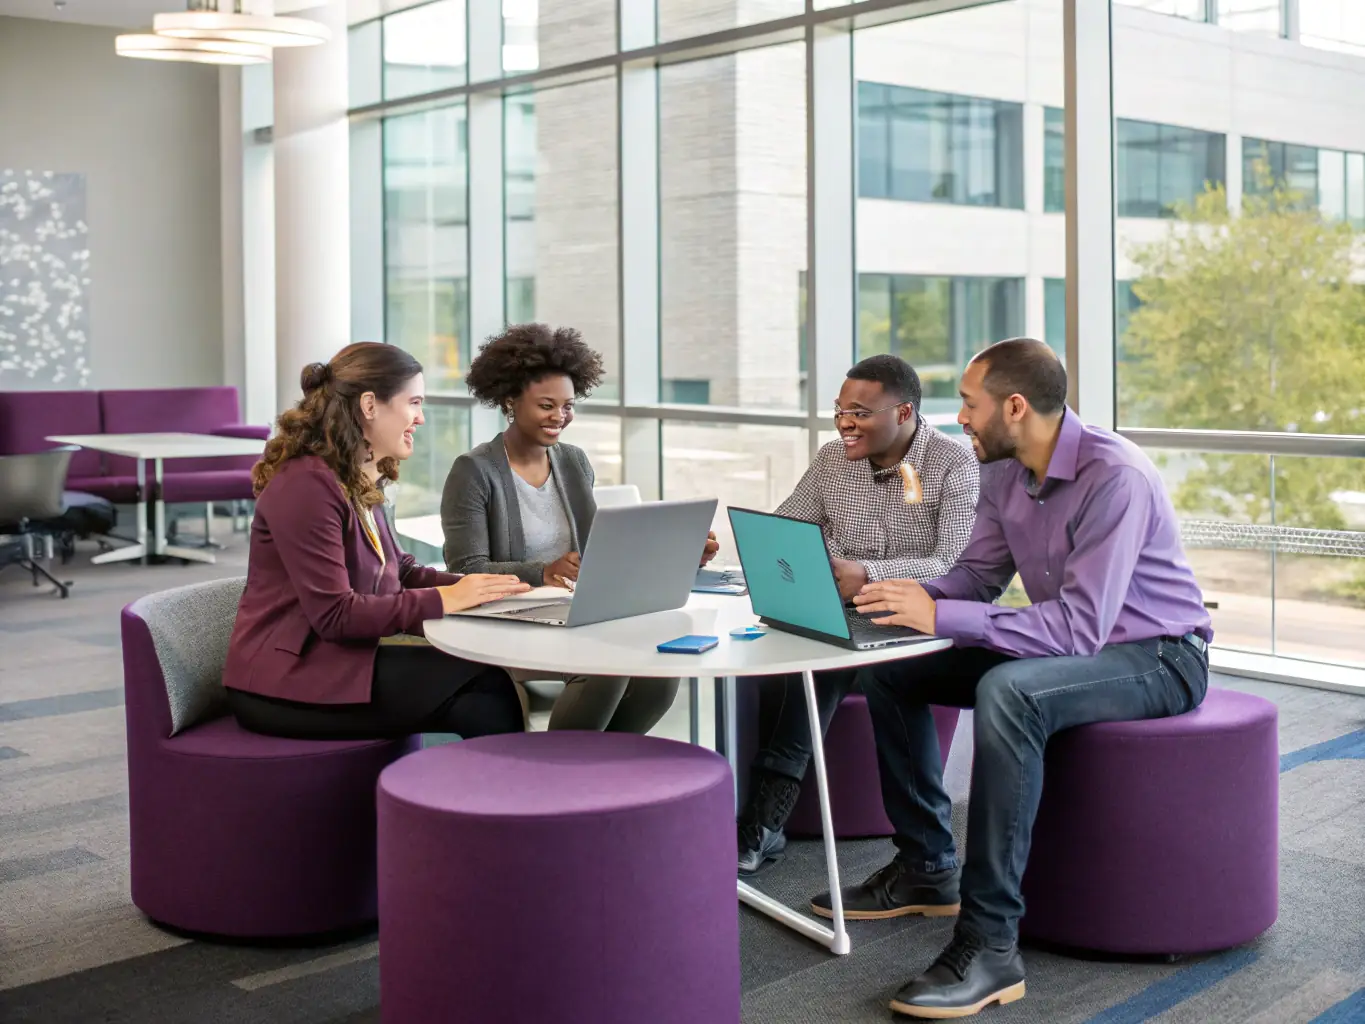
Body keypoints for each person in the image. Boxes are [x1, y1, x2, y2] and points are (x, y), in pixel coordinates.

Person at [817, 338, 1212, 1019]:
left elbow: (1078, 629)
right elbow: (977, 578)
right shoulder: (1002, 469)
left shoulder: (1112, 477)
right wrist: (900, 594)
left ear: (1015, 406)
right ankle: (925, 865)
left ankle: (990, 943)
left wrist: (942, 611)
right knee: (894, 668)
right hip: (1081, 645)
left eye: (969, 405)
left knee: (1009, 692)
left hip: (1158, 655)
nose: (960, 418)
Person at [737, 354, 980, 874]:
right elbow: (785, 527)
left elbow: (954, 563)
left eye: (860, 412)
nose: (845, 423)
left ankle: (761, 821)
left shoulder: (954, 464)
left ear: (905, 412)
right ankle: (762, 822)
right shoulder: (831, 460)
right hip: (837, 611)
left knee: (823, 659)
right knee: (799, 648)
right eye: (839, 410)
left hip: (913, 620)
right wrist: (772, 556)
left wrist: (866, 573)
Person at [224, 342, 531, 741]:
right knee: (484, 689)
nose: (420, 418)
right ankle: (484, 801)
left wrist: (486, 591)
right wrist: (447, 601)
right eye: (414, 402)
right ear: (370, 405)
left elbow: (399, 571)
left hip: (327, 663)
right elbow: (336, 615)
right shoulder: (306, 486)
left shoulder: (354, 476)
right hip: (281, 684)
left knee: (489, 681)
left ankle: (483, 798)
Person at [441, 323, 718, 732]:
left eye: (568, 406)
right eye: (546, 405)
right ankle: (563, 777)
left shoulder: (573, 461)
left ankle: (602, 775)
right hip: (506, 621)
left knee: (660, 676)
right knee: (607, 668)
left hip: (573, 614)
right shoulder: (475, 471)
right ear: (510, 401)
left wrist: (680, 556)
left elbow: (599, 554)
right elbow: (464, 569)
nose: (560, 417)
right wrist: (543, 571)